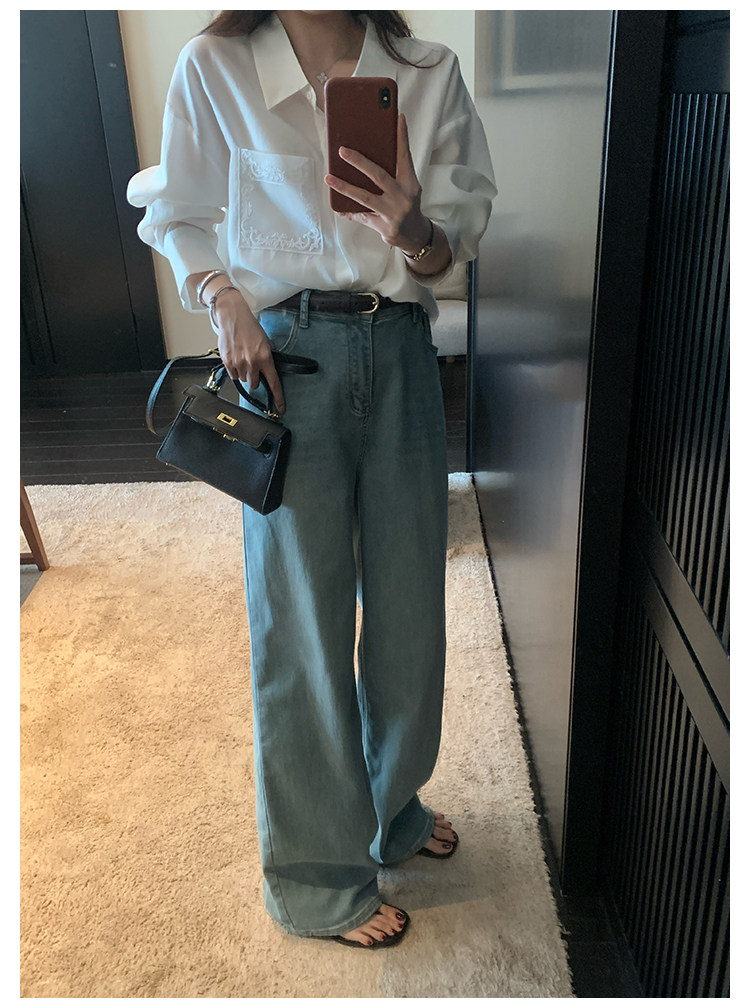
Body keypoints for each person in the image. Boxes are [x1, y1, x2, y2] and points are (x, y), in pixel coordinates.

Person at [128, 9, 495, 949]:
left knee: (411, 609)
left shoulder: (425, 69)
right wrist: (225, 302)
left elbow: (450, 249)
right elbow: (176, 212)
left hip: (403, 350)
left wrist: (415, 230)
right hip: (286, 361)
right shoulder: (215, 65)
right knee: (302, 621)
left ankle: (390, 810)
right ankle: (314, 879)